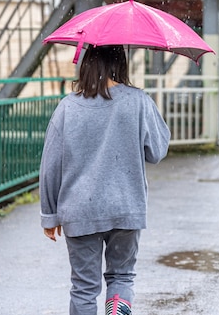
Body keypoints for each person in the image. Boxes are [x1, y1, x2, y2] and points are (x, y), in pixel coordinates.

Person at [39, 45, 171, 315]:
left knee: (84, 287)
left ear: (86, 65)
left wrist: (50, 215)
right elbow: (156, 152)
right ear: (120, 65)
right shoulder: (139, 101)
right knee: (121, 277)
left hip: (79, 211)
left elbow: (51, 164)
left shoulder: (67, 107)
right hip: (126, 206)